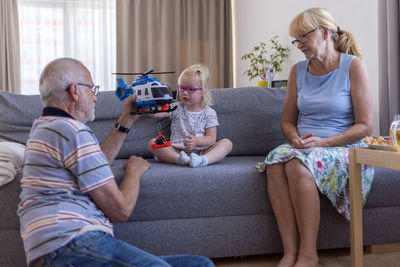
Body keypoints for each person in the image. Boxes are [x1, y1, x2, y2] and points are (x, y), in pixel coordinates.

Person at [17, 57, 215, 267]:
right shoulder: (71, 131)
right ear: (75, 91)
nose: (95, 98)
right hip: (70, 243)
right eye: (92, 89)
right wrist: (134, 171)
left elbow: (97, 165)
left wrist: (126, 119)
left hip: (62, 246)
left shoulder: (46, 127)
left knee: (199, 264)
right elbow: (120, 210)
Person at [263, 8, 374, 267]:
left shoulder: (353, 66)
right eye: (296, 39)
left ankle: (308, 255)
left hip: (343, 145)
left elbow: (366, 125)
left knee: (295, 164)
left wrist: (323, 143)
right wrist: (294, 139)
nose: (299, 44)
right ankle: (290, 252)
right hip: (305, 147)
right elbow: (287, 121)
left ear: (325, 32)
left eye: (303, 37)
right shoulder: (297, 71)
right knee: (274, 163)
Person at [148, 64, 232, 168]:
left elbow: (211, 138)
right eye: (182, 88)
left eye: (191, 89)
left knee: (227, 143)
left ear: (203, 92)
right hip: (177, 150)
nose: (185, 93)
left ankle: (202, 161)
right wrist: (145, 108)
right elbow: (157, 114)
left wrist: (197, 141)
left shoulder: (209, 113)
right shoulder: (176, 107)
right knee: (153, 143)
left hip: (202, 150)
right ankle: (179, 159)